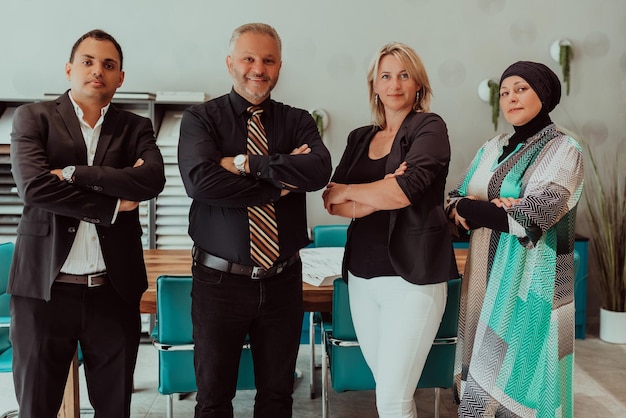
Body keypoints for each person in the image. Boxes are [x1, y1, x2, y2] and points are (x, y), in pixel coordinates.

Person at [8, 29, 165, 417]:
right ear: (69, 69)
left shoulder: (135, 127)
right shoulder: (33, 117)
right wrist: (111, 206)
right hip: (44, 292)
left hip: (113, 292)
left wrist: (75, 173)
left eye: (109, 65)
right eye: (88, 62)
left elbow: (152, 180)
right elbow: (34, 189)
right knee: (37, 407)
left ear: (120, 77)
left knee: (114, 409)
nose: (99, 71)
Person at [177, 22, 332, 418]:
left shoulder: (297, 120)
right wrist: (278, 182)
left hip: (282, 280)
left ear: (279, 66)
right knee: (213, 400)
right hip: (218, 282)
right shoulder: (201, 120)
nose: (257, 69)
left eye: (268, 60)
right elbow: (200, 182)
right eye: (248, 58)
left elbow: (316, 172)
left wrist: (246, 164)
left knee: (277, 398)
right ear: (231, 63)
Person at [322, 42, 458, 418]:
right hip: (362, 278)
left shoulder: (429, 126)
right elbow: (331, 202)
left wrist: (357, 192)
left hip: (412, 280)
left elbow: (406, 191)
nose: (394, 84)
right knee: (388, 388)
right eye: (386, 76)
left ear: (418, 85)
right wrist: (381, 189)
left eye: (404, 75)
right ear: (374, 85)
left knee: (393, 399)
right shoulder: (359, 137)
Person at [447, 61, 583, 417]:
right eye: (504, 92)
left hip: (533, 288)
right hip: (483, 282)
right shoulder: (491, 148)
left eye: (521, 88)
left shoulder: (564, 150)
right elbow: (450, 203)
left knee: (523, 387)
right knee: (480, 386)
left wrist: (476, 207)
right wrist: (470, 206)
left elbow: (534, 216)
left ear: (544, 93)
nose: (511, 98)